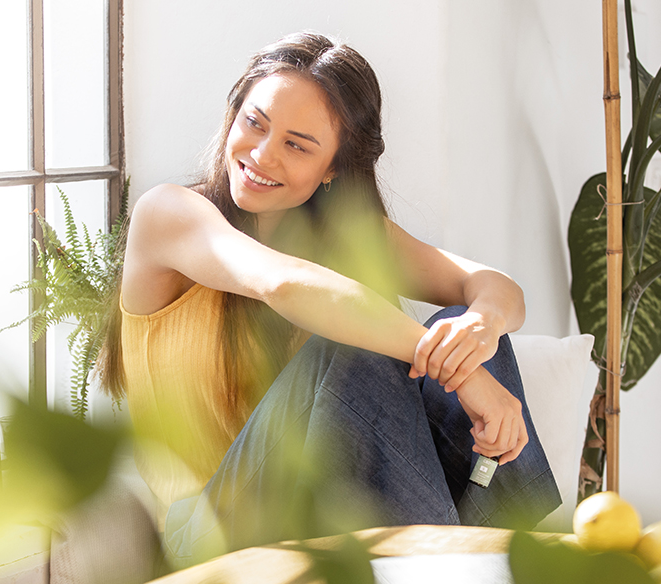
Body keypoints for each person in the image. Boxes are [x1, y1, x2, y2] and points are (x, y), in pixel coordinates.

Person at [98, 31, 560, 567]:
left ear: (334, 168)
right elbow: (281, 282)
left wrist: (480, 327)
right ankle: (460, 564)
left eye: (296, 145)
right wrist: (465, 378)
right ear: (234, 112)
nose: (262, 154)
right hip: (210, 532)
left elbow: (496, 287)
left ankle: (507, 556)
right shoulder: (169, 214)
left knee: (461, 326)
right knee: (354, 343)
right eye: (255, 122)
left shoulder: (342, 235)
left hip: (324, 516)